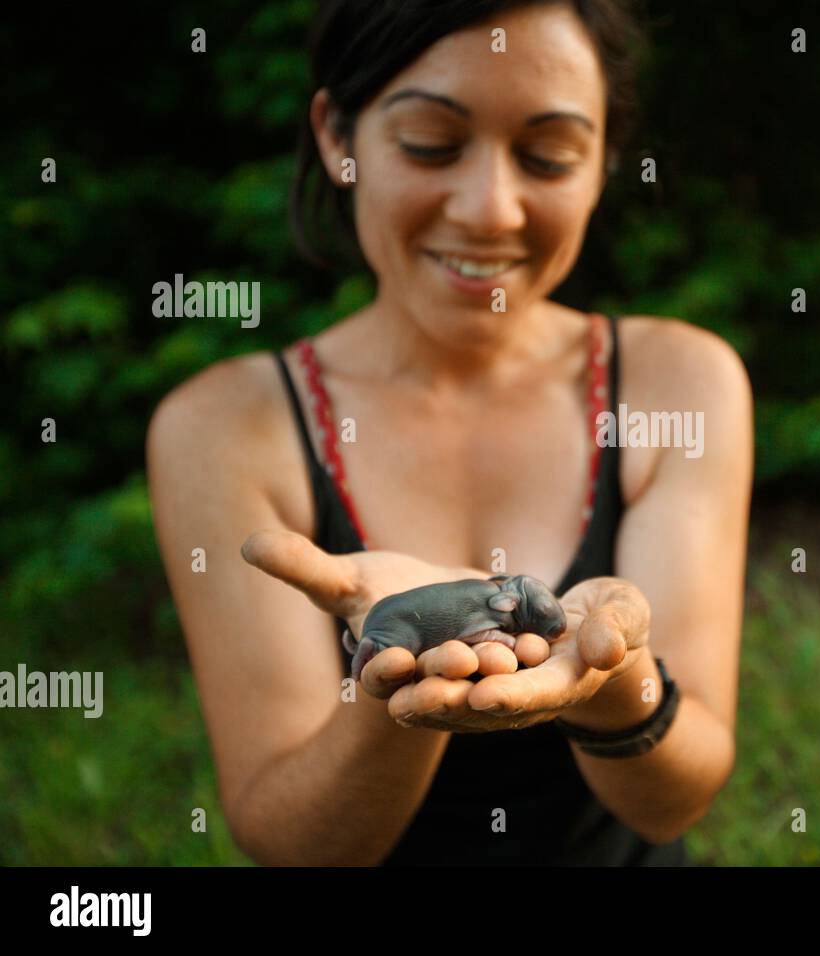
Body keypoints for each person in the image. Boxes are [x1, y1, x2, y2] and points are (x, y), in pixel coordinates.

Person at [145, 0, 753, 865]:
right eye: (431, 144)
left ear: (604, 161)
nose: (489, 209)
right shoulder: (221, 428)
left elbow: (673, 803)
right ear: (337, 139)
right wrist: (407, 687)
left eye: (548, 156)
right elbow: (292, 843)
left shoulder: (680, 384)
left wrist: (617, 683)